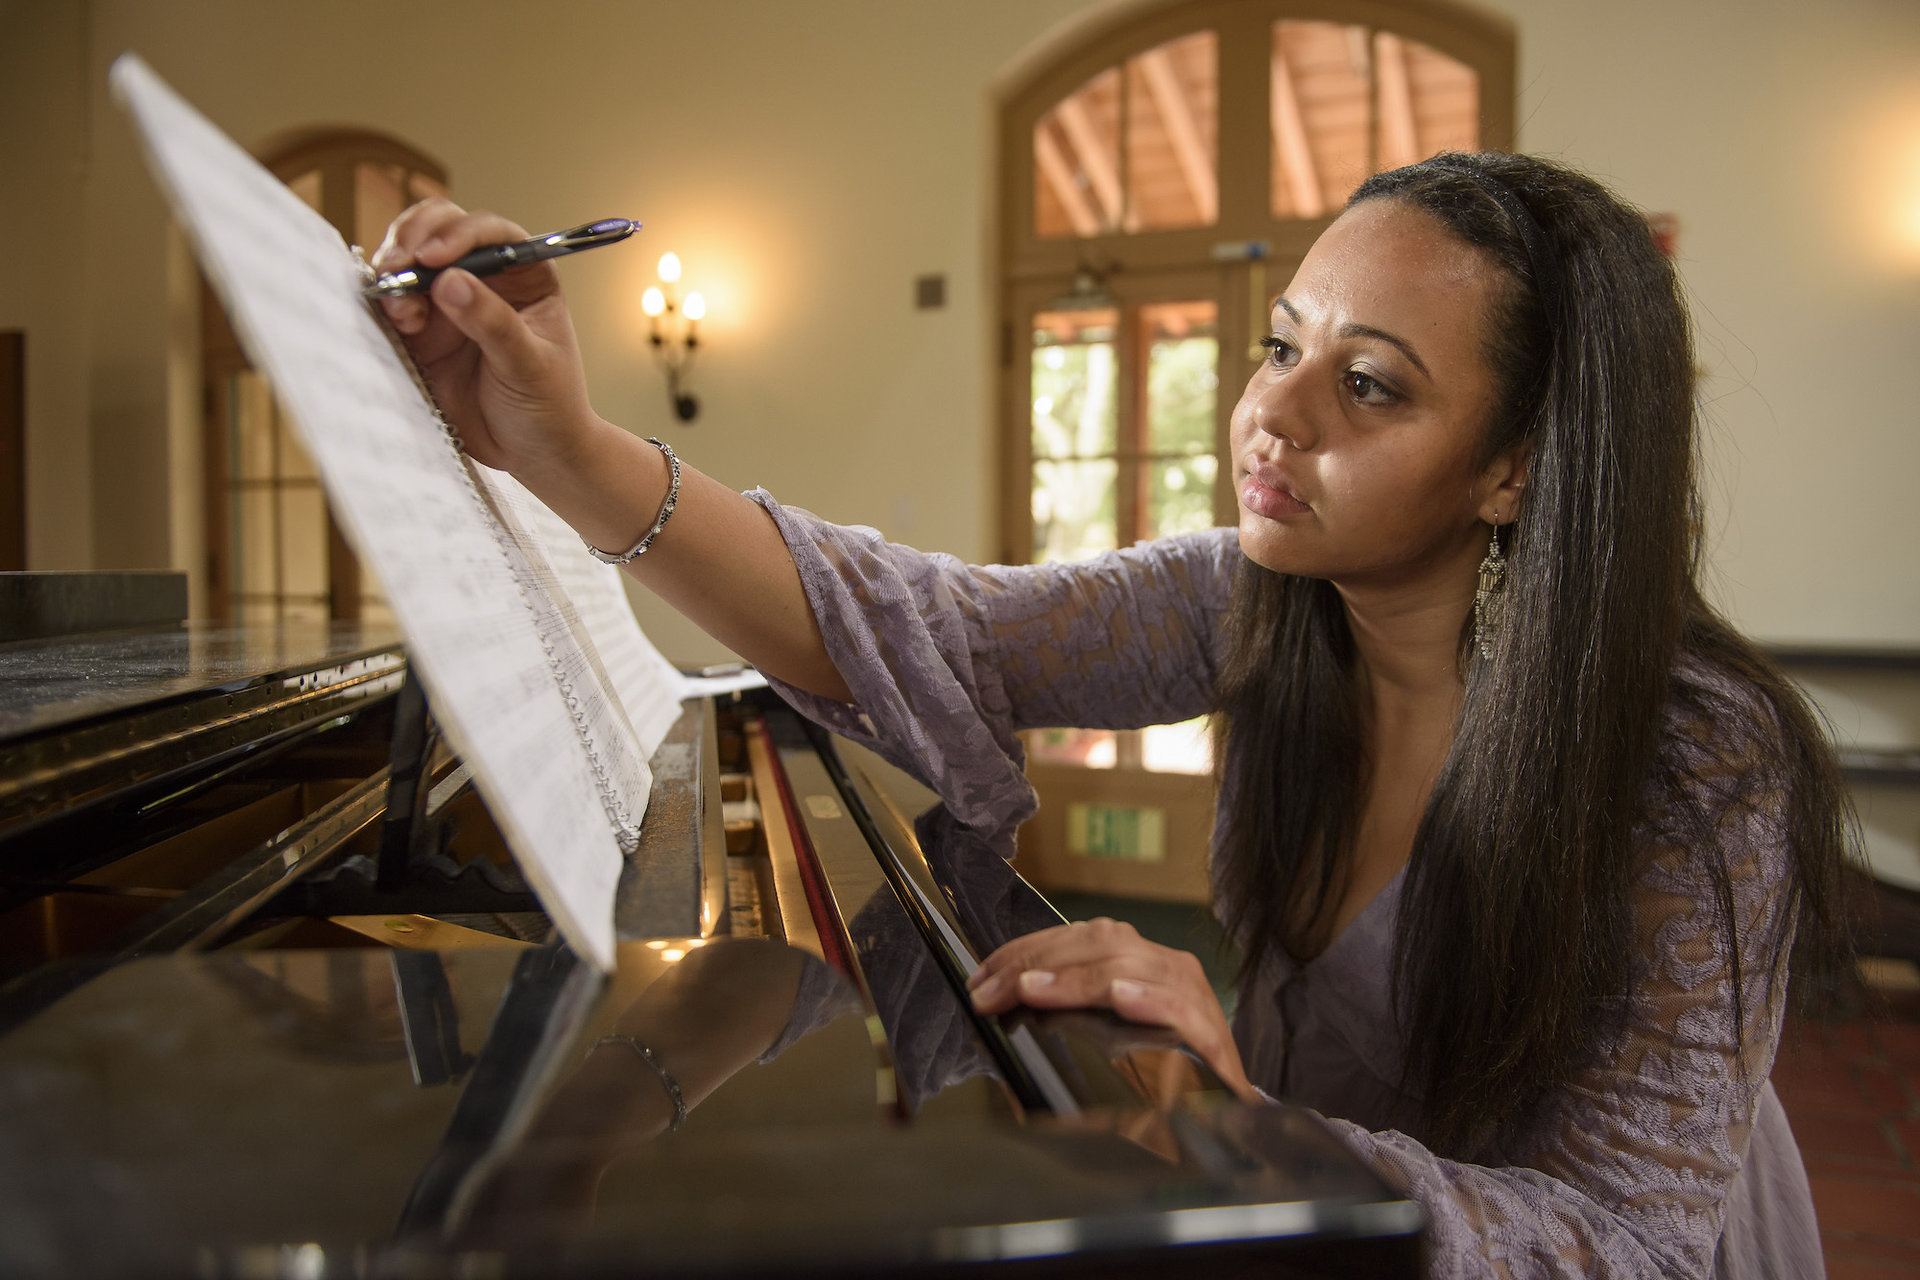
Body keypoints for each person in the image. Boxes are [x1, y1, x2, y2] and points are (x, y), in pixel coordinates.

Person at [373, 151, 1851, 1277]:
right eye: (1282, 347)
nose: (1274, 416)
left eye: (1368, 386)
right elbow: (939, 627)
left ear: (1514, 468)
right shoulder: (1259, 598)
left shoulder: (1696, 756)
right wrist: (558, 448)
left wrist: (1252, 1127)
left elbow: (1623, 1241)